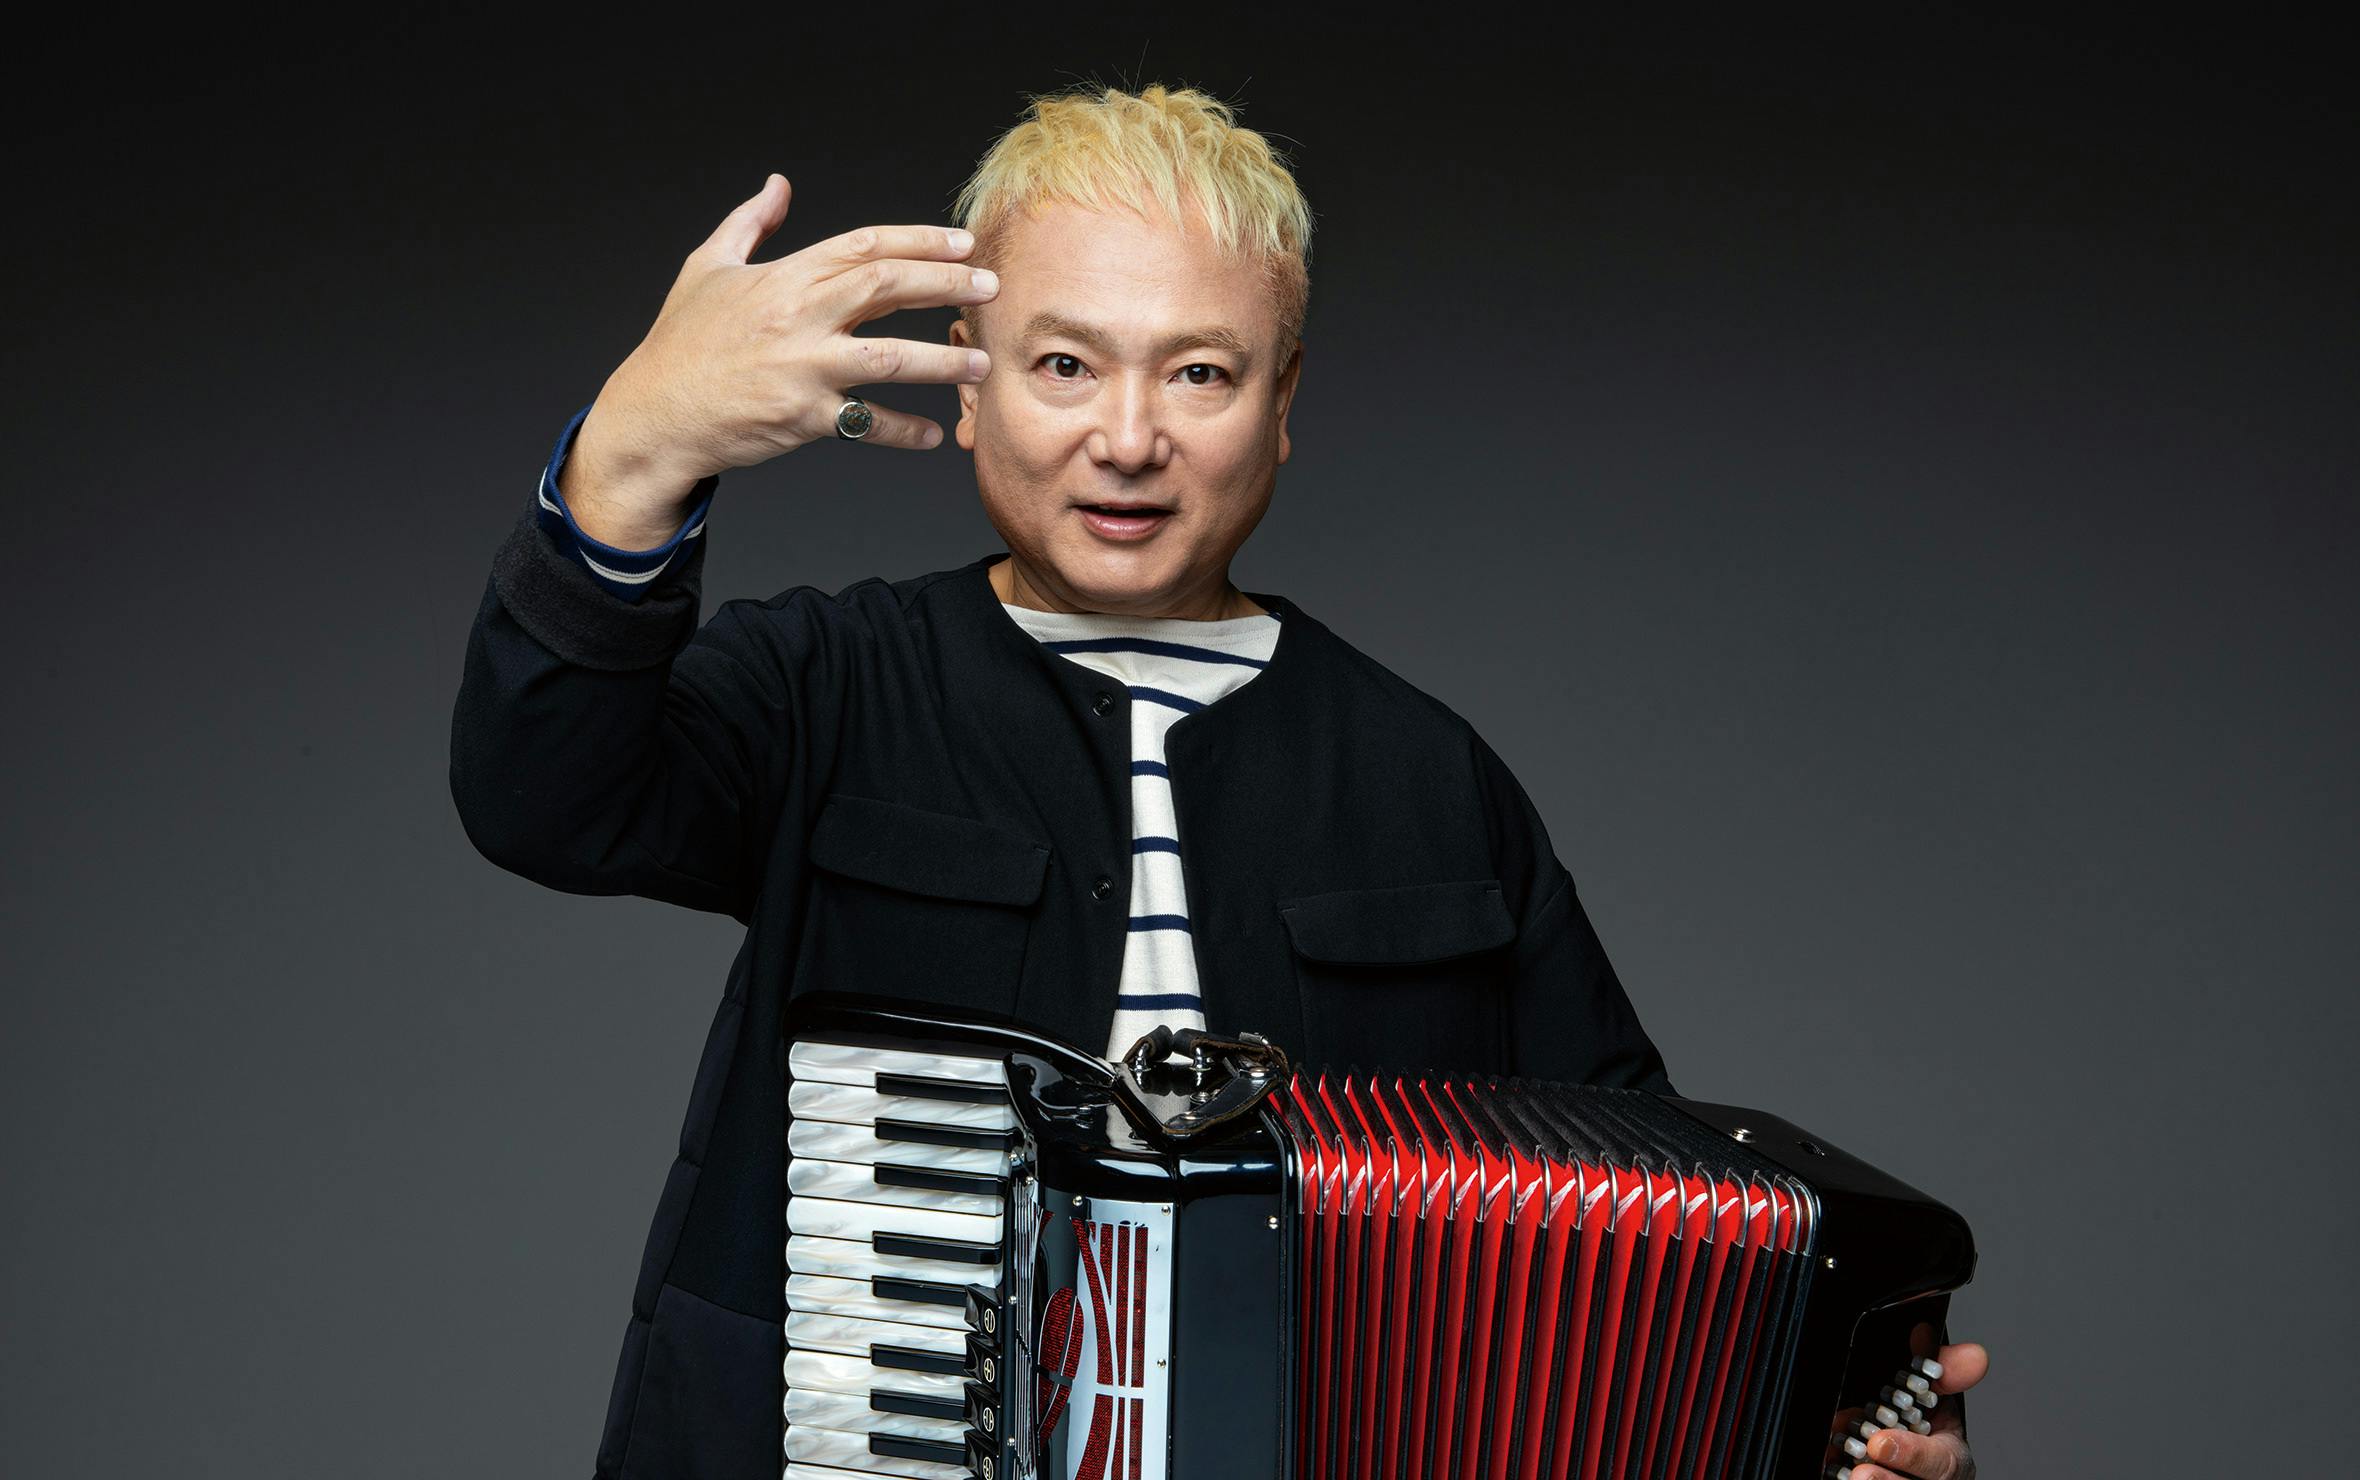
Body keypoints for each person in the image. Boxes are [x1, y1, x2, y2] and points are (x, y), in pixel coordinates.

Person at [450, 82, 1985, 1480]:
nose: (1128, 439)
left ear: (1283, 401)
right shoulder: (824, 686)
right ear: (971, 387)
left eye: (1199, 372)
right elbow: (544, 797)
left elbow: (1660, 1230)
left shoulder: (1431, 779)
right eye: (1064, 364)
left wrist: (1832, 1424)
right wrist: (634, 454)